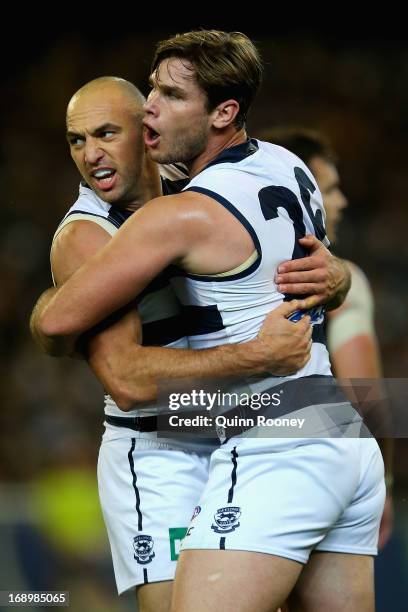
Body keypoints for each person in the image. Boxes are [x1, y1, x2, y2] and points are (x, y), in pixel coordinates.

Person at [31, 31, 380, 612]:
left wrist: (336, 276)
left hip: (259, 427)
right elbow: (124, 377)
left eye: (108, 132)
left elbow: (54, 326)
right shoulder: (278, 162)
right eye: (76, 139)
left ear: (221, 113)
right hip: (184, 440)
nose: (152, 107)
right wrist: (263, 349)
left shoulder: (184, 202)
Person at [262, 127, 394, 551]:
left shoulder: (229, 277)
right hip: (319, 467)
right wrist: (382, 480)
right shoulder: (342, 279)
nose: (340, 201)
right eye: (330, 189)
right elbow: (365, 396)